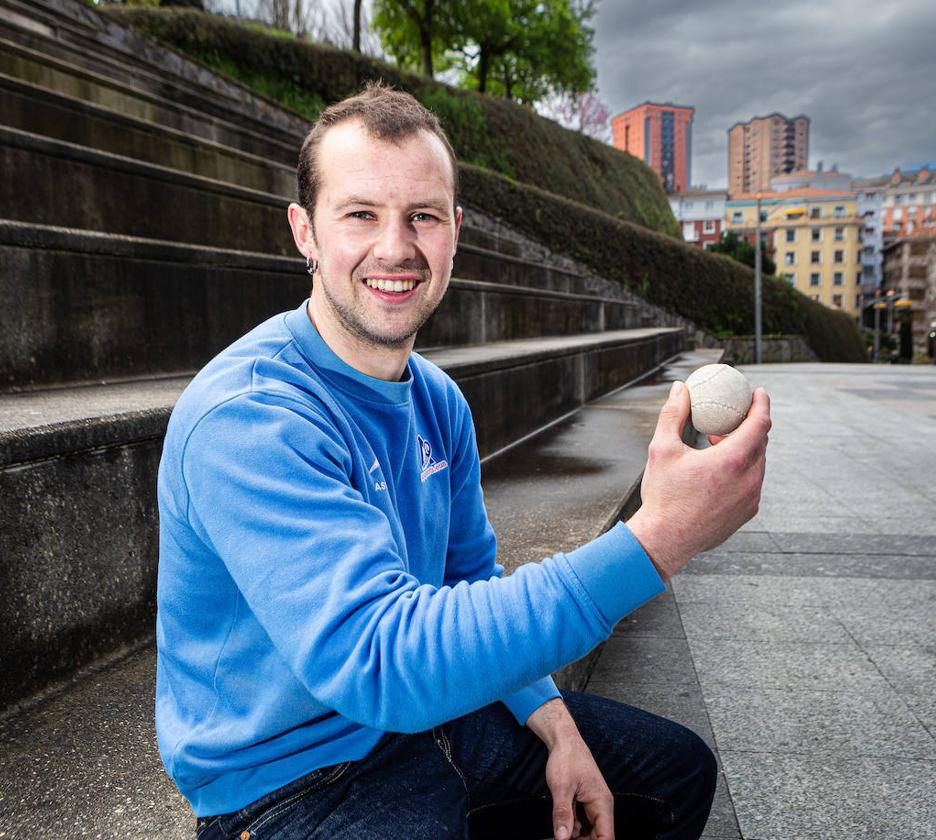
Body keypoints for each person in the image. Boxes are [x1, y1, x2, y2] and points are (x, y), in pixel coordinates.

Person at [155, 82, 771, 840]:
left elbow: (468, 578)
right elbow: (378, 658)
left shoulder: (437, 399)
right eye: (360, 215)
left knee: (674, 773)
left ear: (455, 231)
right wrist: (659, 538)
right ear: (305, 233)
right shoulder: (249, 415)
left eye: (423, 216)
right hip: (287, 785)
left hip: (431, 721)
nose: (395, 248)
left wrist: (552, 720)